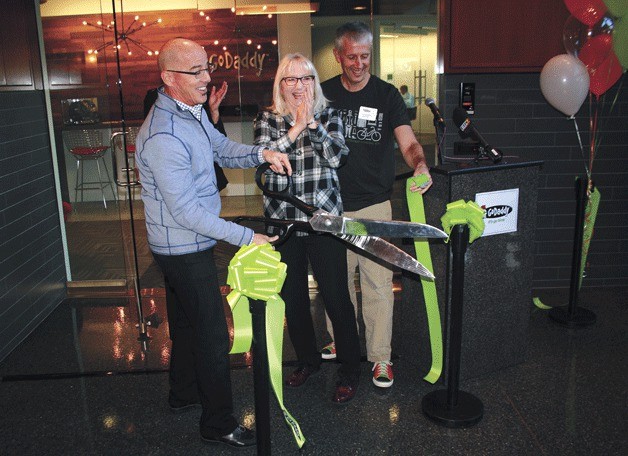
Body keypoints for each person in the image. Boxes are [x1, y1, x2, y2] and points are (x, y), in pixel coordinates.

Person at [135, 38, 291, 449]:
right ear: (169, 78)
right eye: (196, 72)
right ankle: (218, 423)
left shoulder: (190, 112)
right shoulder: (163, 134)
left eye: (207, 68)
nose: (207, 78)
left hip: (184, 241)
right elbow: (186, 212)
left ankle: (182, 395)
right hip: (183, 248)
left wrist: (263, 154)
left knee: (186, 324)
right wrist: (246, 237)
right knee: (213, 335)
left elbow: (221, 147)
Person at [320, 22, 433, 389]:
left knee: (379, 286)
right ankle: (342, 341)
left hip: (374, 207)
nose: (358, 64)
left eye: (365, 56)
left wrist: (419, 163)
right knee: (336, 285)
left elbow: (408, 141)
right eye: (351, 56)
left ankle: (380, 358)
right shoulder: (321, 95)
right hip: (332, 207)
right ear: (338, 56)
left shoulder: (386, 96)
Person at [253, 53, 361, 404]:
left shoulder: (329, 116)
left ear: (314, 82)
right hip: (284, 221)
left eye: (306, 79)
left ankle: (349, 368)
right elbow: (265, 164)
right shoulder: (267, 118)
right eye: (291, 79)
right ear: (280, 84)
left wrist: (311, 125)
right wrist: (295, 128)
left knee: (336, 297)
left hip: (323, 220)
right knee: (293, 298)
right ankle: (307, 360)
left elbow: (337, 158)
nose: (299, 86)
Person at [143, 81, 229, 191]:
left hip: (204, 178)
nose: (204, 77)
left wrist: (213, 111)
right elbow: (153, 139)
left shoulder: (201, 96)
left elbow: (219, 142)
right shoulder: (154, 98)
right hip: (173, 174)